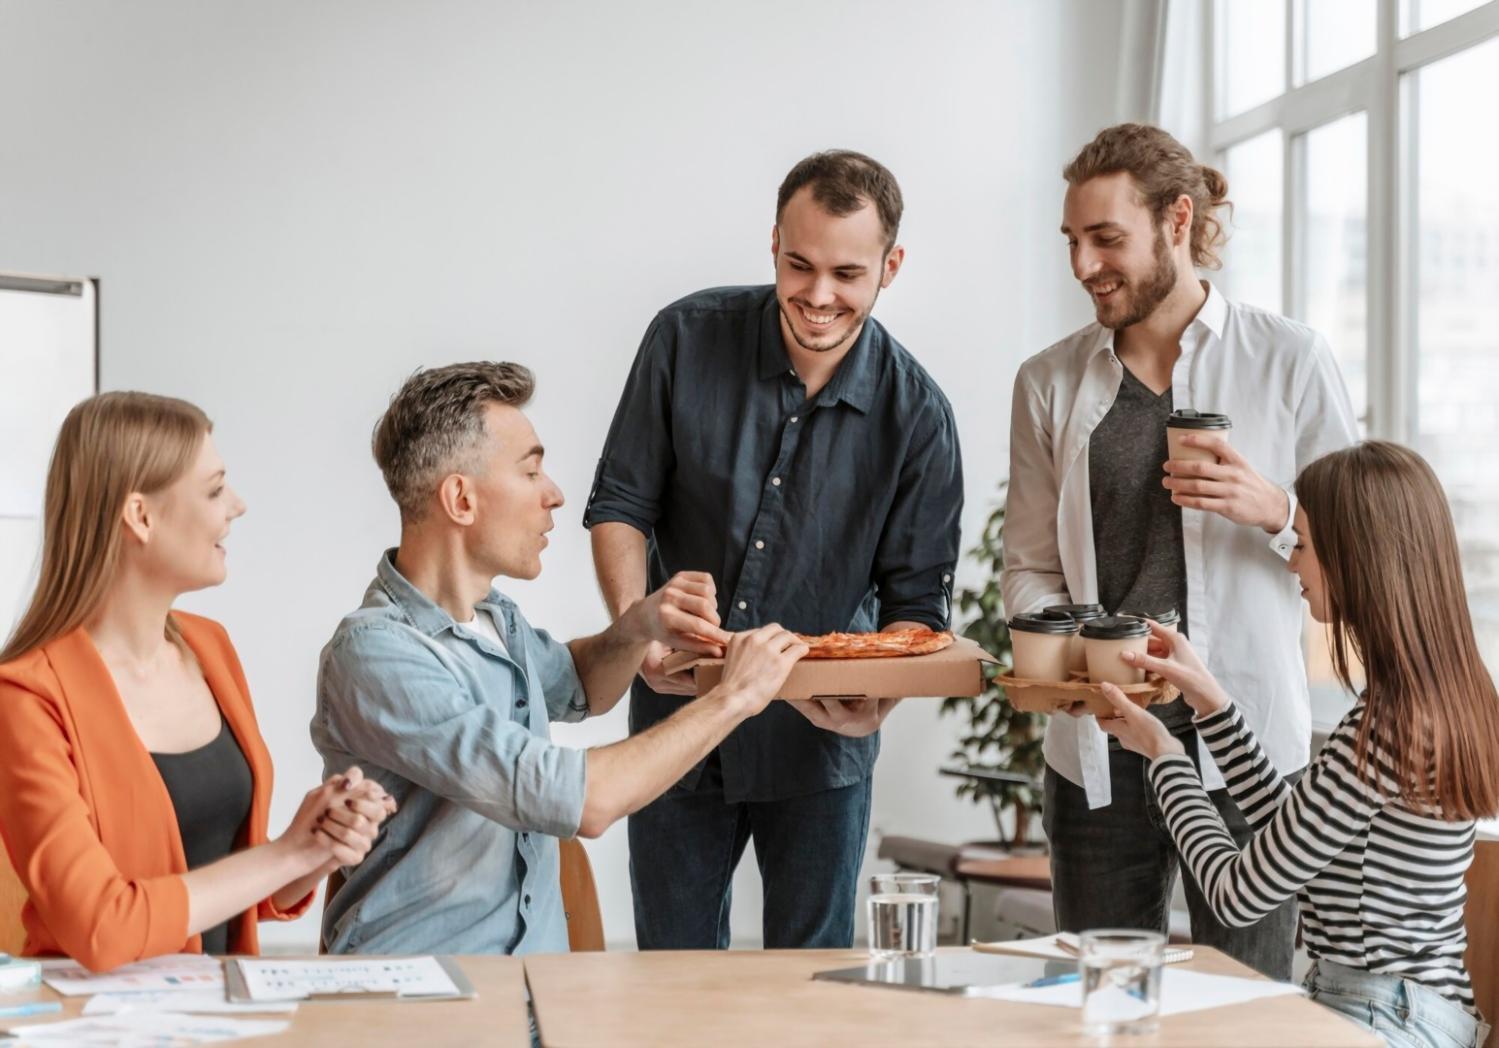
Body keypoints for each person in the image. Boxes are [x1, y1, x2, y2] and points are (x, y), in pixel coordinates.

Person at [1002, 123, 1359, 979]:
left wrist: (1275, 508)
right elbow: (1027, 565)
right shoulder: (1047, 381)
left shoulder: (1288, 360)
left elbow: (1361, 560)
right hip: (1097, 749)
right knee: (1101, 1005)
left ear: (1177, 219)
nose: (1084, 265)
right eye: (1073, 242)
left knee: (1247, 1012)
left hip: (1243, 750)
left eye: (1106, 239)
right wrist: (1063, 658)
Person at [585, 149, 963, 950]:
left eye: (847, 273)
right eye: (800, 264)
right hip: (675, 723)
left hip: (820, 751)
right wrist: (632, 624)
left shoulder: (919, 416)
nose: (818, 295)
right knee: (673, 979)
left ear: (890, 266)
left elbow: (916, 608)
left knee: (810, 989)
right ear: (772, 245)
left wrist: (879, 701)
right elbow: (621, 503)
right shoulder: (683, 338)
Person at [312, 361, 805, 955]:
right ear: (461, 499)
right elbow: (582, 800)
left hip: (532, 997)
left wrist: (638, 625)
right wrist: (735, 699)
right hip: (420, 1003)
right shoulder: (377, 655)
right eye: (531, 470)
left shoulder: (497, 619)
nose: (555, 495)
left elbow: (581, 685)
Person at [1099, 440, 1496, 1048]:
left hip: (1380, 1018)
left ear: (1356, 558)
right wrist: (1210, 701)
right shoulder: (1445, 694)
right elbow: (1292, 831)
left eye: (1303, 546)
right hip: (1416, 1012)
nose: (1292, 567)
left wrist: (1164, 758)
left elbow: (1238, 893)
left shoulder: (1386, 725)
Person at [0, 392, 392, 972]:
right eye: (213, 490)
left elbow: (232, 893)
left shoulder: (210, 647)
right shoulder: (27, 698)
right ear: (140, 516)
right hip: (92, 1026)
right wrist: (286, 854)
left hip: (215, 1010)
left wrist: (317, 846)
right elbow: (102, 927)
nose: (237, 506)